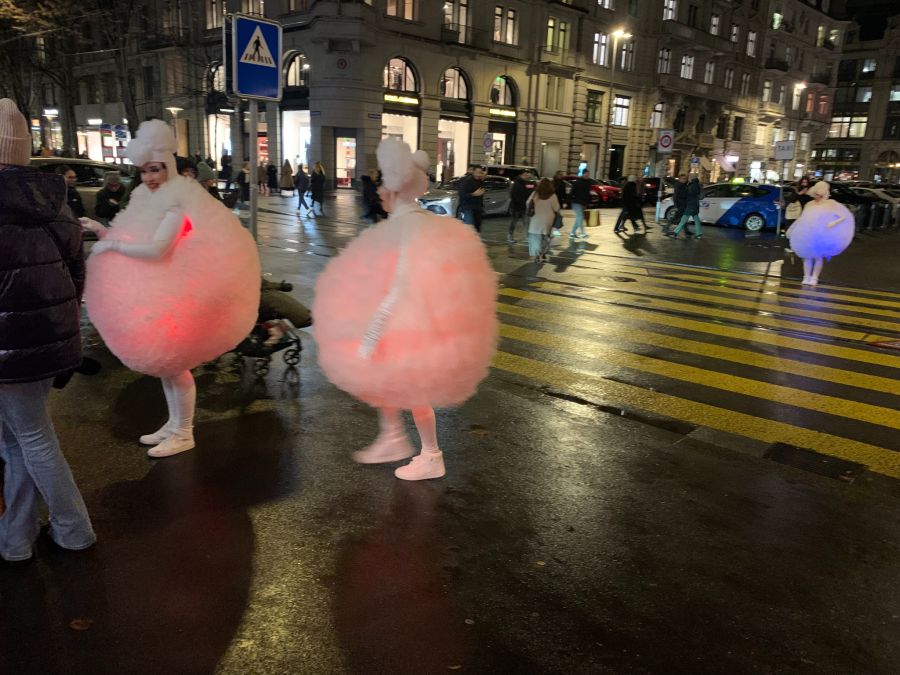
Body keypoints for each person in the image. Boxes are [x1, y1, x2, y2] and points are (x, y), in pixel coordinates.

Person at [312, 138, 497, 481]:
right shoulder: (415, 221)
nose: (380, 190)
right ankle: (393, 437)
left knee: (412, 386)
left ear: (396, 189)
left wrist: (373, 329)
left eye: (384, 183)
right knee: (389, 380)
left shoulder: (409, 226)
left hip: (410, 321)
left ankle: (430, 455)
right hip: (411, 317)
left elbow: (403, 281)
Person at [81, 119, 260, 458]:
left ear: (170, 167)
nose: (149, 177)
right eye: (145, 171)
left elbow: (155, 250)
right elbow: (136, 238)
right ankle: (175, 423)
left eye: (156, 169)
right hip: (160, 295)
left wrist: (110, 246)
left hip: (177, 300)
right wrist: (102, 232)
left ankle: (184, 430)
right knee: (166, 366)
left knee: (174, 366)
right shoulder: (150, 200)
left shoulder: (177, 206)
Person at [0, 98, 96, 562]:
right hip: (45, 344)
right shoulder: (54, 204)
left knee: (31, 441)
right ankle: (16, 538)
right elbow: (77, 276)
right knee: (19, 442)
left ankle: (74, 528)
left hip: (7, 351)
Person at [786, 181, 854, 286]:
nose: (816, 197)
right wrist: (792, 229)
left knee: (818, 256)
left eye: (819, 195)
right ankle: (806, 276)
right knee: (807, 256)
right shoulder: (809, 204)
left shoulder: (829, 204)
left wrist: (833, 222)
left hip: (822, 233)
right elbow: (802, 218)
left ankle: (814, 277)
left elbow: (843, 216)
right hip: (808, 232)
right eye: (815, 194)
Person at [525, 178, 560, 263]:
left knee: (535, 238)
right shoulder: (552, 195)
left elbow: (527, 203)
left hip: (536, 219)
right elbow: (557, 208)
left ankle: (537, 255)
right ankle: (543, 253)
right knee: (546, 237)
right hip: (548, 220)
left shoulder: (535, 194)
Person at [667, 173, 703, 239]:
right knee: (696, 220)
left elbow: (686, 194)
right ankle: (699, 233)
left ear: (691, 178)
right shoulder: (696, 184)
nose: (687, 179)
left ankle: (675, 233)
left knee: (683, 220)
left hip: (690, 205)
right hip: (694, 205)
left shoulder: (692, 186)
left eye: (688, 177)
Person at [507, 170, 534, 244]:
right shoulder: (517, 183)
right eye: (525, 175)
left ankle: (527, 237)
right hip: (516, 207)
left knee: (526, 222)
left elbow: (532, 187)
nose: (527, 176)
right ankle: (510, 236)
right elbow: (514, 195)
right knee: (514, 222)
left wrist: (533, 184)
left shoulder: (526, 183)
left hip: (524, 207)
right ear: (520, 175)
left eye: (527, 175)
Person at [457, 164, 486, 232]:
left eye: (481, 173)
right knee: (470, 227)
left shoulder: (480, 181)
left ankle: (475, 241)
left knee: (477, 228)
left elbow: (481, 192)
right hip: (468, 207)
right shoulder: (466, 181)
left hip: (478, 208)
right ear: (473, 172)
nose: (479, 175)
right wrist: (473, 194)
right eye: (477, 172)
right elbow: (462, 195)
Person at [569, 170, 593, 240]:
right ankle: (583, 233)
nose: (587, 175)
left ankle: (572, 233)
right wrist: (568, 201)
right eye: (585, 174)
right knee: (580, 217)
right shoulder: (578, 182)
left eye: (588, 174)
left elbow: (588, 193)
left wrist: (589, 202)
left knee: (578, 218)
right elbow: (572, 191)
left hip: (583, 203)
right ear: (583, 174)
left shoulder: (588, 182)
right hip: (576, 202)